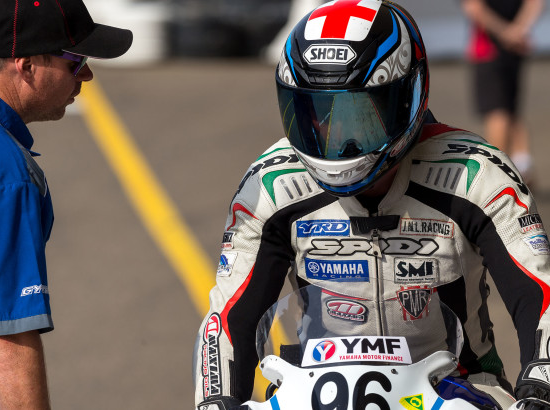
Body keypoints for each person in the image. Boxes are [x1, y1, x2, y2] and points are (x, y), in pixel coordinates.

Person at [193, 0, 550, 409]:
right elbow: (228, 317)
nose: (335, 134)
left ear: (406, 97)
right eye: (316, 112)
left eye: (358, 112)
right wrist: (216, 400)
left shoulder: (476, 174)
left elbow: (540, 293)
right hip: (312, 392)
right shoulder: (271, 186)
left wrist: (540, 385)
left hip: (457, 389)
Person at [0, 1, 132, 408]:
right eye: (75, 61)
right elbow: (3, 335)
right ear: (27, 65)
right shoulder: (5, 176)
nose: (87, 75)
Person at [462, 0, 544, 185]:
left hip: (489, 49)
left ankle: (498, 173)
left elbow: (474, 7)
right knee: (510, 108)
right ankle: (523, 165)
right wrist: (519, 30)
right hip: (516, 47)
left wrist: (506, 33)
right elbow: (535, 3)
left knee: (497, 112)